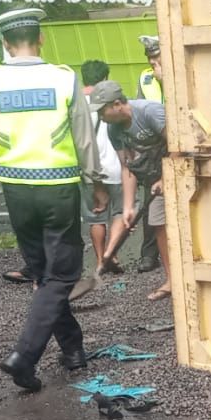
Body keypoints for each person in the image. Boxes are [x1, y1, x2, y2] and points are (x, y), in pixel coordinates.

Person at [0, 7, 105, 393]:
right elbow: (83, 136)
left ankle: (73, 349)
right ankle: (24, 356)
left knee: (44, 275)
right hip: (58, 187)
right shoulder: (63, 78)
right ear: (40, 39)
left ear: (5, 43)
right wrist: (96, 181)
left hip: (16, 190)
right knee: (62, 276)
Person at [88, 80, 171, 303]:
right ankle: (172, 280)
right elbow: (127, 167)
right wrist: (128, 207)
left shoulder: (150, 112)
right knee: (158, 223)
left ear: (117, 104)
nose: (100, 117)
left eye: (102, 111)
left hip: (179, 171)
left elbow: (179, 145)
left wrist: (166, 177)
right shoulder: (113, 129)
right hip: (154, 179)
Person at [79, 59, 124, 273]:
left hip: (89, 169)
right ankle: (112, 254)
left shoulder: (76, 103)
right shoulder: (113, 101)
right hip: (116, 166)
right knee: (119, 213)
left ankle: (99, 261)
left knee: (95, 218)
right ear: (105, 78)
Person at [132, 34, 164, 272]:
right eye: (150, 59)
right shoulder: (145, 78)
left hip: (177, 141)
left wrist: (166, 79)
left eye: (157, 57)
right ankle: (149, 255)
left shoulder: (180, 71)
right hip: (154, 147)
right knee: (151, 201)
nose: (153, 63)